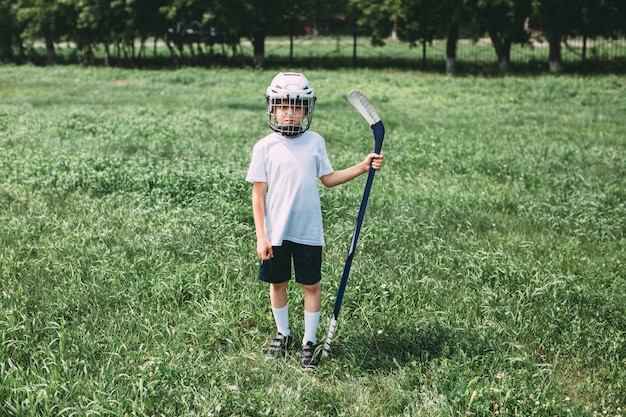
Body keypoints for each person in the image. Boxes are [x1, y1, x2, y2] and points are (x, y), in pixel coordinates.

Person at [246, 72, 384, 368]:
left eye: (296, 106)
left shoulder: (315, 142)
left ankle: (309, 340)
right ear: (272, 107)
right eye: (282, 105)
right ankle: (283, 332)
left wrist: (362, 167)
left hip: (308, 231)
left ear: (307, 110)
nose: (289, 112)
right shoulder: (264, 147)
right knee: (278, 282)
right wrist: (261, 236)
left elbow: (329, 179)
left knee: (311, 286)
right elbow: (258, 195)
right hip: (276, 232)